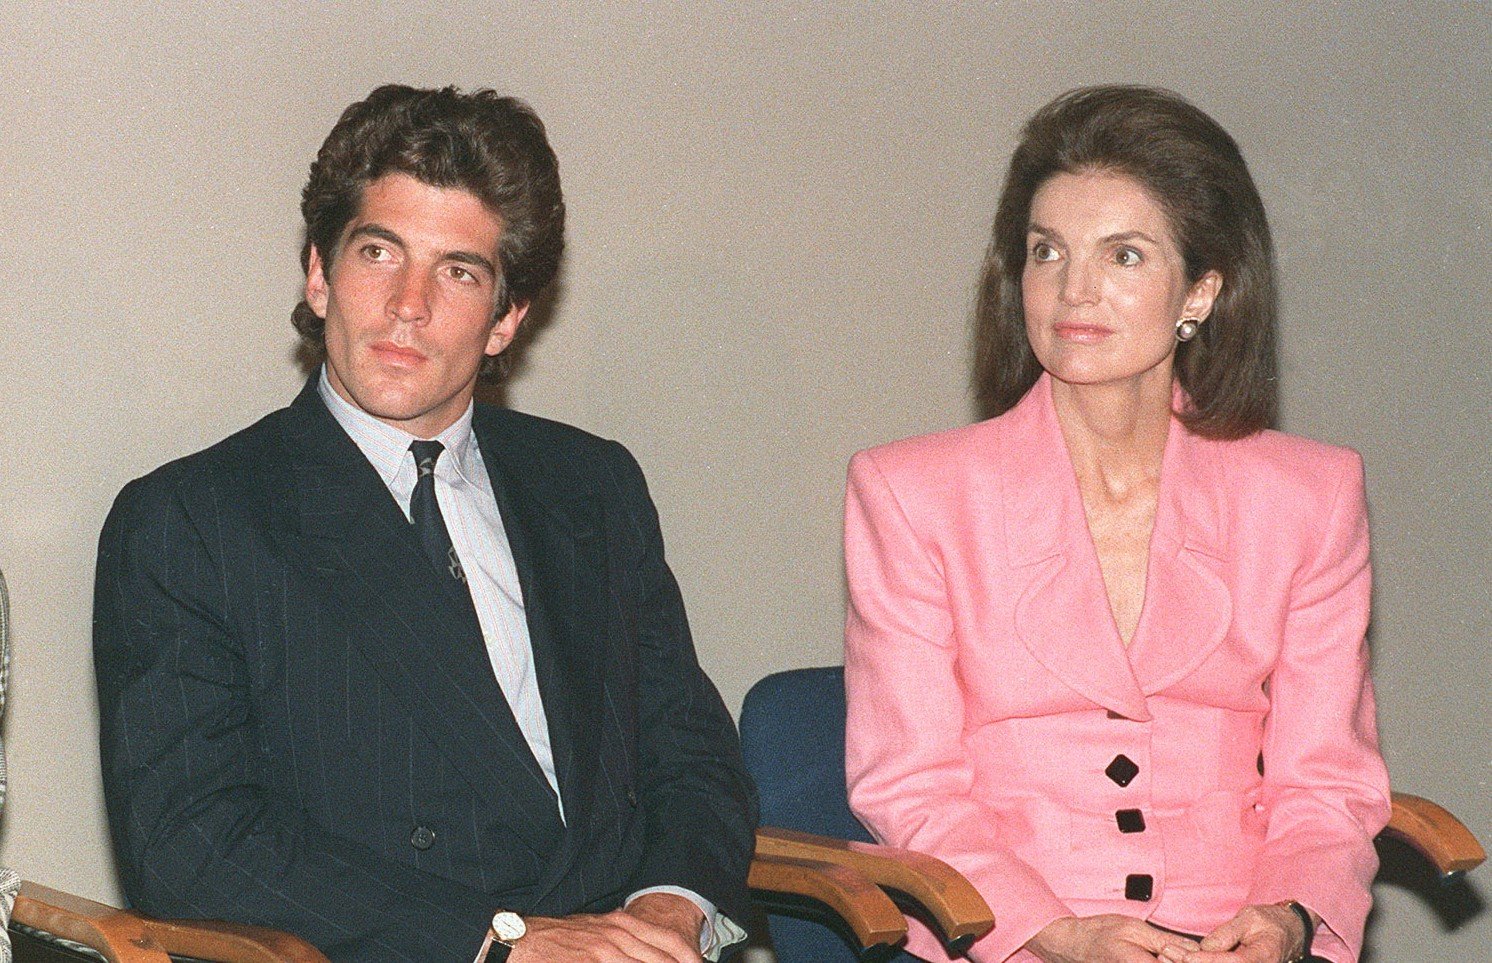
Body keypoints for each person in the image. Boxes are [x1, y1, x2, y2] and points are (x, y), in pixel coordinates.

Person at [94, 84, 755, 963]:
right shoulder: (193, 521)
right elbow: (193, 842)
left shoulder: (592, 486)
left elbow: (694, 755)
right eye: (378, 252)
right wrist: (504, 941)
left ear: (506, 319)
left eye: (458, 271)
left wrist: (672, 914)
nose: (409, 304)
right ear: (320, 275)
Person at [843, 86, 1389, 963]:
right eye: (1046, 251)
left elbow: (1324, 781)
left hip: (1231, 934)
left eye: (1124, 255)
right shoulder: (910, 493)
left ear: (1202, 291)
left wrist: (1285, 915)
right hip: (1012, 933)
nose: (1074, 289)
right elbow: (910, 784)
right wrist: (1055, 931)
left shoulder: (1310, 496)